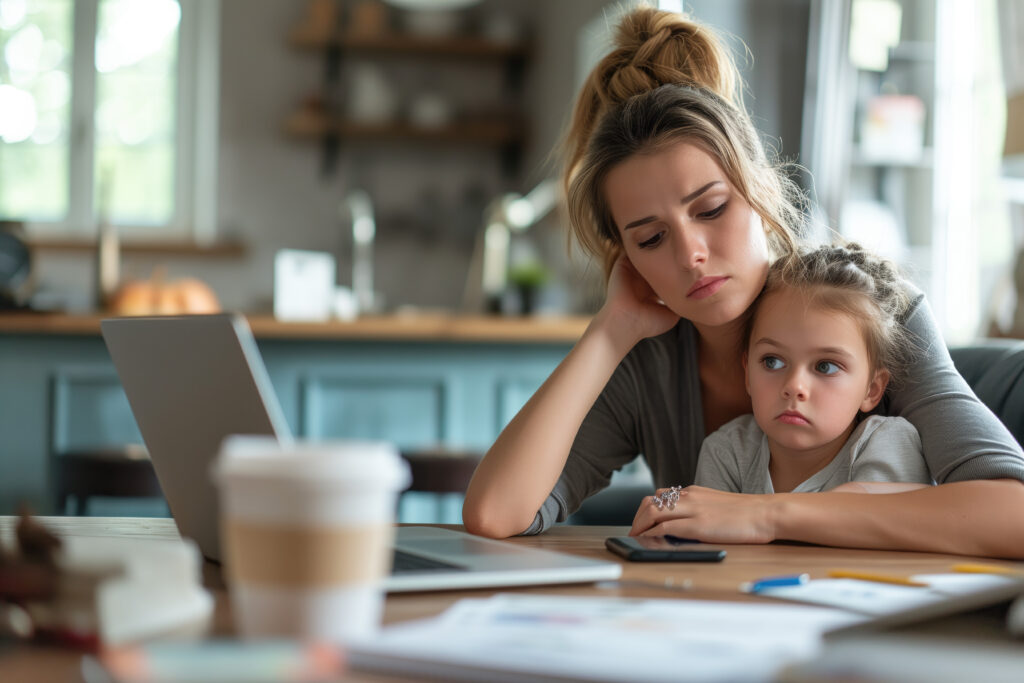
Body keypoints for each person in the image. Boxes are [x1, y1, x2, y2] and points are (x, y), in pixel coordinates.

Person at [462, 5, 1024, 557]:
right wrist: (610, 331)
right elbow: (495, 514)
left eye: (710, 209)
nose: (691, 255)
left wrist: (763, 514)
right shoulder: (646, 361)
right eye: (651, 239)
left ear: (761, 192)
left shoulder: (876, 310)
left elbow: (1014, 514)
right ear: (626, 256)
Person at [692, 243, 933, 496]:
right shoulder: (728, 451)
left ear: (871, 390)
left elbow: (875, 530)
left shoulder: (886, 443)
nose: (794, 386)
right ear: (748, 373)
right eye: (772, 361)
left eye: (825, 366)